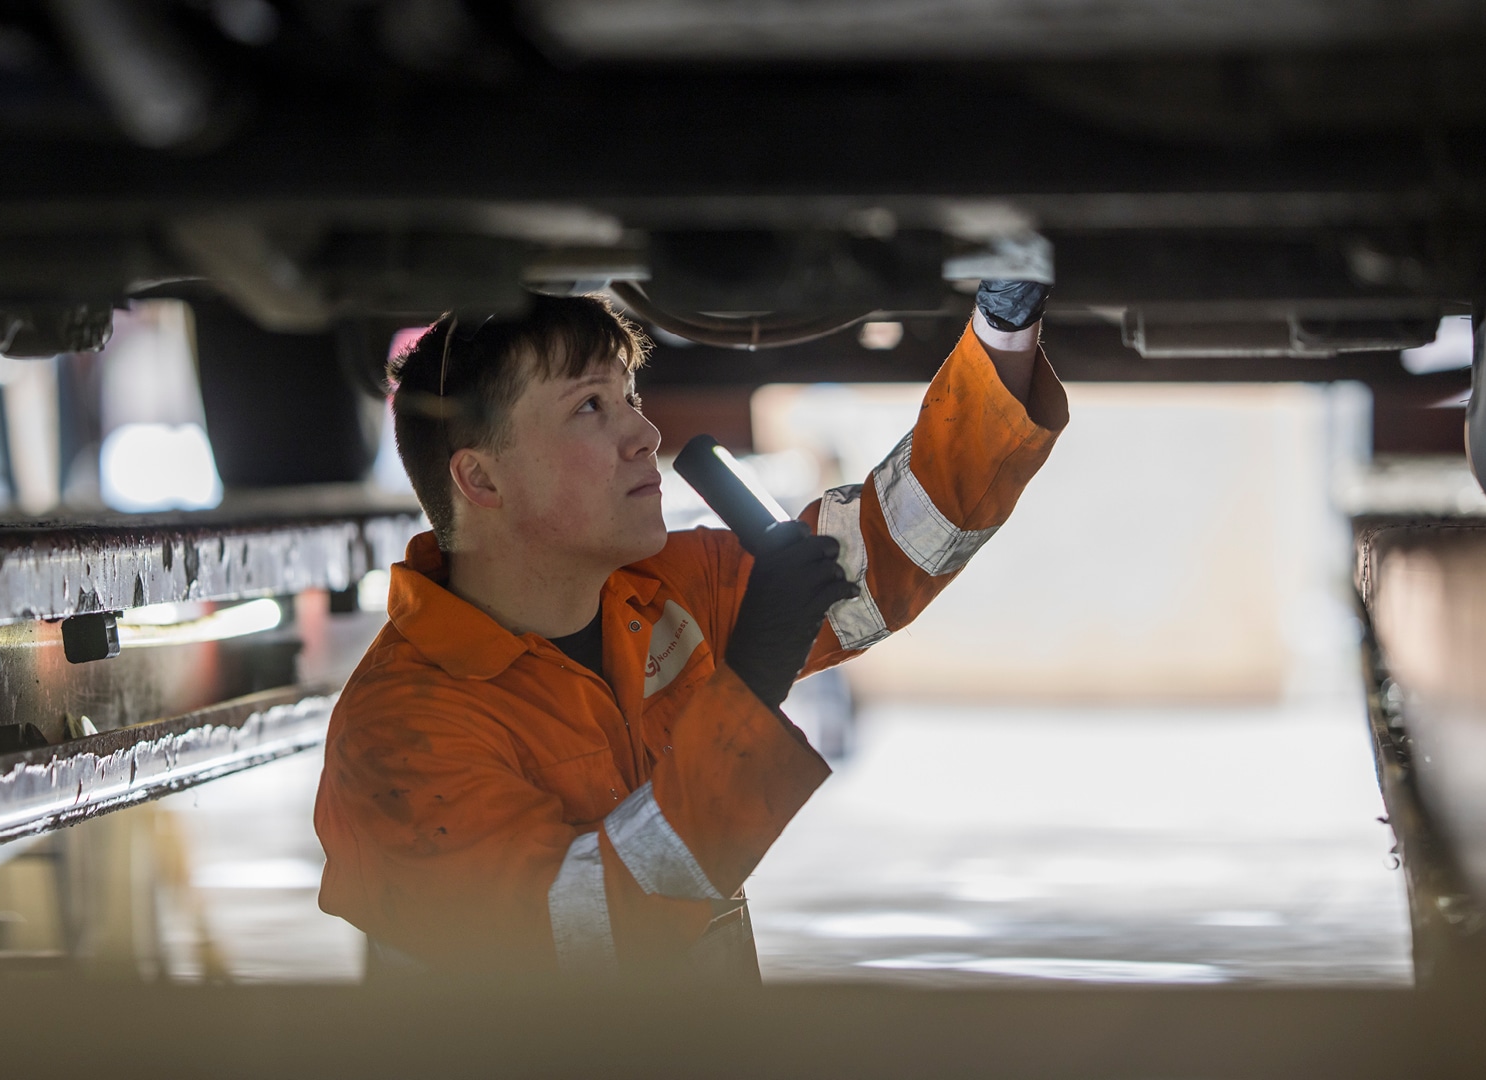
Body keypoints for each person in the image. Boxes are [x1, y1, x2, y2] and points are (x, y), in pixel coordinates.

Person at [314, 282, 1067, 979]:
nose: (645, 432)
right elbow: (580, 943)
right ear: (481, 481)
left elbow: (893, 547)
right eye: (590, 408)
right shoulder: (397, 732)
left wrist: (1003, 329)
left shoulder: (661, 593)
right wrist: (748, 684)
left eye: (629, 396)